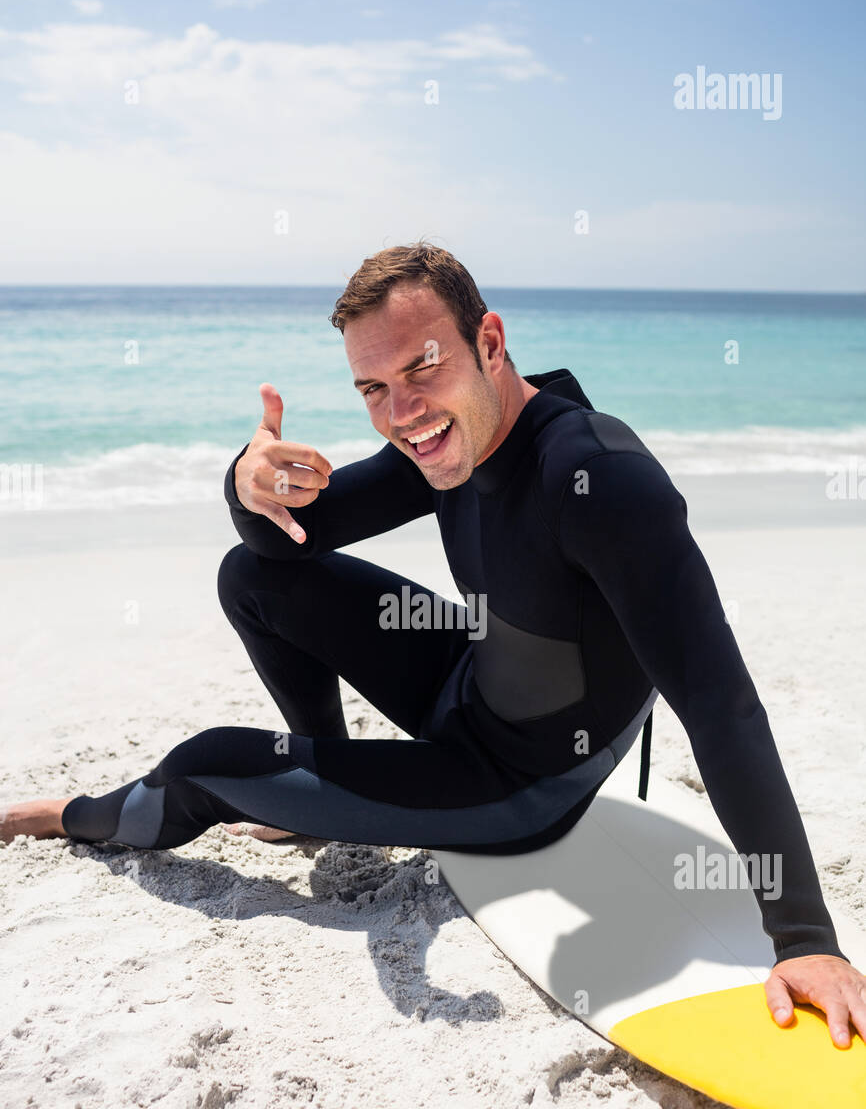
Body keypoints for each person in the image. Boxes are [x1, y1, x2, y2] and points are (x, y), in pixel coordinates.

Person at [4, 241, 865, 1048]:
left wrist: (803, 938)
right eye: (372, 389)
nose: (403, 411)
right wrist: (245, 479)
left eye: (422, 365)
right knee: (251, 576)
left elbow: (721, 705)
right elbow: (288, 537)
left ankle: (69, 816)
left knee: (203, 766)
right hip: (470, 676)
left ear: (489, 340)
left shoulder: (599, 482)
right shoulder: (447, 440)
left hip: (517, 780)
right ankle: (324, 784)